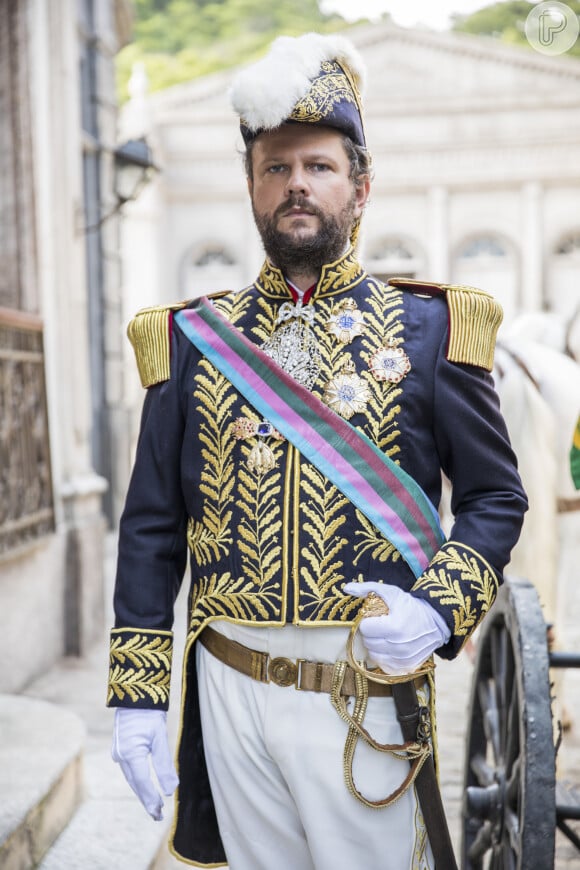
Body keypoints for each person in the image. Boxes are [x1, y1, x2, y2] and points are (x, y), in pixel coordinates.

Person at [108, 32, 527, 869]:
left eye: (319, 166)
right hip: (230, 691)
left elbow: (494, 499)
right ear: (252, 186)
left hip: (366, 691)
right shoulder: (191, 340)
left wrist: (437, 609)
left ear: (361, 188)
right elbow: (152, 527)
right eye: (276, 167)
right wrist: (139, 699)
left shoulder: (434, 329)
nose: (296, 184)